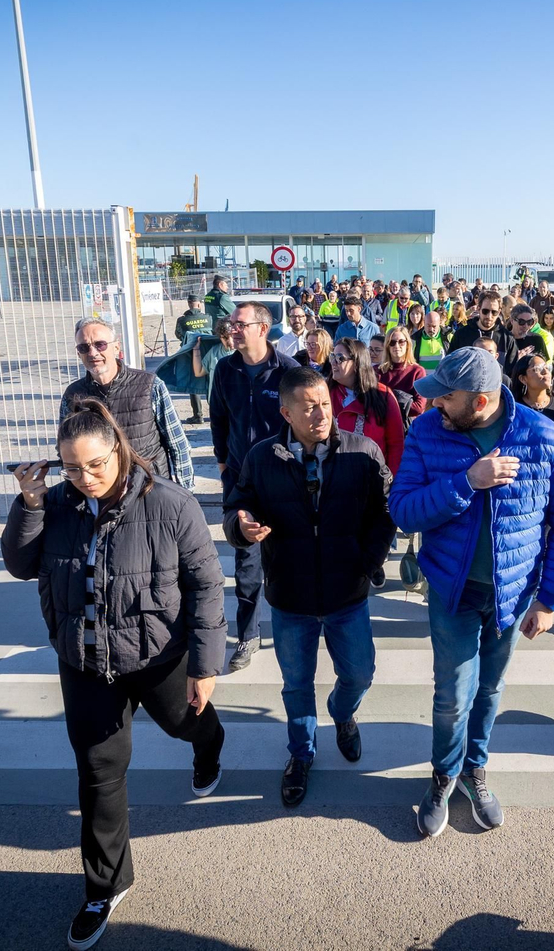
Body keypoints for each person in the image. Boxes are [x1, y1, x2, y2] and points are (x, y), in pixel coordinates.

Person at [4, 399, 225, 950]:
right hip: (84, 661)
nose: (85, 478)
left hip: (157, 655)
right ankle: (105, 886)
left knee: (184, 721)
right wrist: (30, 504)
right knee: (99, 773)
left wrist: (205, 665)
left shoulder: (170, 503)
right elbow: (20, 564)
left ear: (119, 451)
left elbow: (206, 584)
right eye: (72, 468)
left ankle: (209, 743)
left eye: (96, 465)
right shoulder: (54, 504)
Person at [389, 348, 554, 838]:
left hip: (513, 596)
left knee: (490, 689)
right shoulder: (426, 431)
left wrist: (550, 599)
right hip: (451, 591)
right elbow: (403, 510)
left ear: (480, 401)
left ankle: (474, 768)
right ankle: (444, 774)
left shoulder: (543, 437)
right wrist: (467, 482)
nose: (435, 404)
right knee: (453, 696)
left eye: (446, 397)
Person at [223, 367, 394, 806]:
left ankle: (342, 713)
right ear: (286, 412)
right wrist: (242, 526)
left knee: (359, 673)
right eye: (309, 407)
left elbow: (384, 512)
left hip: (347, 593)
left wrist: (369, 562)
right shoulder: (262, 457)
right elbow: (237, 506)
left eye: (325, 404)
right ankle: (301, 754)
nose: (321, 414)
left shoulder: (362, 450)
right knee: (296, 683)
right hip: (290, 595)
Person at [209, 302, 301, 672]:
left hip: (282, 478)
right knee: (245, 560)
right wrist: (222, 463)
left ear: (262, 328)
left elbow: (301, 422)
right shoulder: (225, 369)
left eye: (239, 324)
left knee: (289, 555)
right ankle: (248, 634)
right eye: (231, 323)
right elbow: (218, 418)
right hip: (240, 481)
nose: (232, 329)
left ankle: (296, 627)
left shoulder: (288, 371)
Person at [64, 317, 195, 489]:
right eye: (84, 347)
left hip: (150, 489)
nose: (93, 353)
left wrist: (185, 493)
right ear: (78, 353)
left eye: (100, 344)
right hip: (102, 493)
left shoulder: (149, 385)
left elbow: (178, 444)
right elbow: (66, 451)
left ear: (116, 346)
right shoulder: (73, 395)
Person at [329, 338, 406, 475]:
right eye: (332, 356)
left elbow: (396, 443)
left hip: (374, 476)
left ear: (357, 363)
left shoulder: (382, 395)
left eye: (340, 358)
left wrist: (391, 479)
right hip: (334, 475)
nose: (333, 362)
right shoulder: (326, 393)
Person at [448, 293, 518, 365]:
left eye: (494, 312)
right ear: (478, 308)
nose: (489, 316)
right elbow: (450, 364)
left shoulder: (507, 338)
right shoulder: (461, 335)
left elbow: (512, 369)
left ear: (499, 312)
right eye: (485, 311)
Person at [190, 317, 235, 425]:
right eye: (225, 338)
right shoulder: (214, 352)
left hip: (237, 406)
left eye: (231, 336)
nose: (229, 341)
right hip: (217, 406)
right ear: (220, 337)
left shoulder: (244, 353)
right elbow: (199, 372)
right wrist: (196, 350)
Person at [379, 325, 428, 418]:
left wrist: (388, 401)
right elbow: (372, 404)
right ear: (387, 346)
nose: (396, 346)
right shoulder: (378, 371)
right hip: (382, 423)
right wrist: (404, 403)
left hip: (407, 424)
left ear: (408, 344)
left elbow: (419, 407)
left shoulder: (417, 371)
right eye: (392, 342)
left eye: (401, 342)